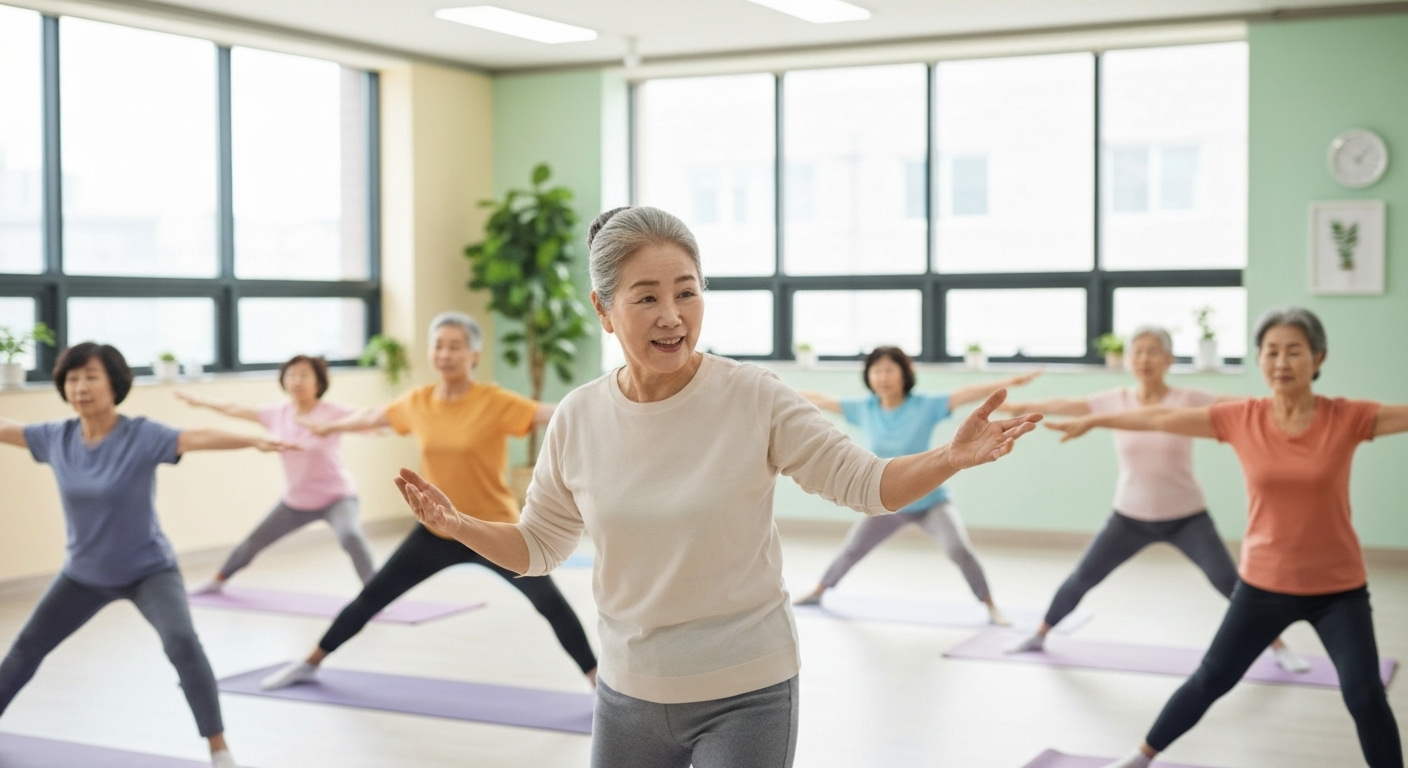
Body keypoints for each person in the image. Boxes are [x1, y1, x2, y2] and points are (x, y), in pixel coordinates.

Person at [393, 206, 1042, 768]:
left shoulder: (753, 397)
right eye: (646, 297)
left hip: (747, 691)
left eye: (688, 292)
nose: (672, 316)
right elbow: (539, 547)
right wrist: (459, 528)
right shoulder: (579, 418)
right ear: (603, 310)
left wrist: (951, 457)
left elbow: (868, 485)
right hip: (626, 693)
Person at [1046, 308, 1404, 768]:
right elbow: (1157, 418)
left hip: (1338, 590)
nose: (1281, 362)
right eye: (1271, 351)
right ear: (1259, 360)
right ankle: (1138, 759)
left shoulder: (1346, 417)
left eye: (1294, 351)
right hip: (1263, 587)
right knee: (1210, 679)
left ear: (1318, 358)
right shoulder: (1242, 418)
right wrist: (1095, 421)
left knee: (1365, 695)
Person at [259, 312, 598, 690]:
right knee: (374, 595)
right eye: (439, 345)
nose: (445, 354)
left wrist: (595, 413)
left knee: (549, 603)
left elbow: (546, 414)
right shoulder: (419, 401)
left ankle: (597, 680)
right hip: (436, 530)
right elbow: (375, 415)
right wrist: (331, 425)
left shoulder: (493, 401)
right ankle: (310, 662)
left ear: (474, 354)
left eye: (455, 346)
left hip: (493, 530)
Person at [0, 343, 293, 768]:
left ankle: (219, 749)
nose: (80, 387)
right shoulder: (56, 438)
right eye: (72, 378)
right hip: (82, 575)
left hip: (148, 572)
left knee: (182, 642)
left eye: (91, 377)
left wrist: (252, 441)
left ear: (114, 383)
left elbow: (195, 437)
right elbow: (5, 427)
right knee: (26, 648)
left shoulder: (140, 435)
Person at [999, 326, 1306, 672]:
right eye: (1138, 352)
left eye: (1152, 351)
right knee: (1084, 576)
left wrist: (1286, 402)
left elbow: (1239, 405)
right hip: (1129, 517)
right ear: (1129, 360)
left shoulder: (1188, 398)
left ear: (1169, 359)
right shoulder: (1115, 400)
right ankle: (1040, 634)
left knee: (1229, 582)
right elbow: (1067, 404)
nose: (1144, 359)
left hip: (1188, 517)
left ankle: (1278, 646)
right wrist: (1023, 405)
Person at [791, 350, 1040, 624]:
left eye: (889, 370)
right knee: (853, 548)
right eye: (876, 371)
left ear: (904, 374)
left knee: (959, 550)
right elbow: (821, 400)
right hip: (887, 499)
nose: (882, 377)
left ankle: (991, 606)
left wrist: (1012, 382)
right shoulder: (865, 408)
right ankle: (819, 591)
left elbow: (965, 392)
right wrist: (774, 389)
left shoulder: (924, 405)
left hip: (930, 501)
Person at [176, 355, 376, 592]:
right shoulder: (277, 413)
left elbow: (369, 420)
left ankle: (376, 594)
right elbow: (235, 408)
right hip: (296, 500)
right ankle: (217, 581)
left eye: (304, 375)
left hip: (337, 497)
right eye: (291, 374)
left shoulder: (332, 412)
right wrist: (201, 401)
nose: (296, 380)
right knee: (254, 541)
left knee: (351, 536)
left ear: (318, 383)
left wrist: (365, 427)